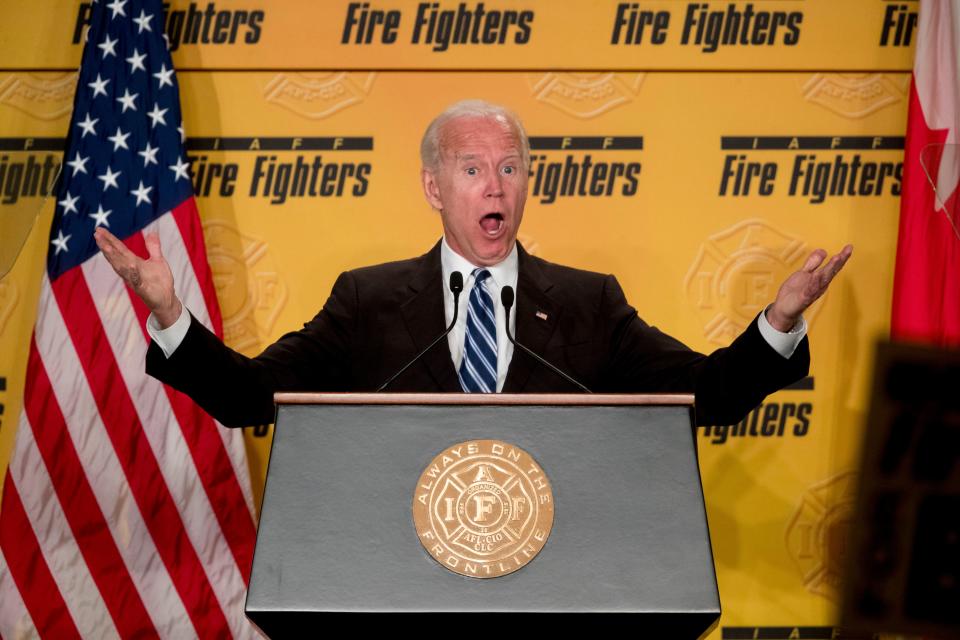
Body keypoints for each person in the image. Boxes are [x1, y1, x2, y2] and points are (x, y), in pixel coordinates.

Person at [94, 100, 853, 428]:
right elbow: (250, 398)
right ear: (433, 186)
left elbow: (709, 396)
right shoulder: (368, 301)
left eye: (511, 167)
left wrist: (780, 322)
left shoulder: (590, 305)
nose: (496, 186)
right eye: (471, 170)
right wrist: (168, 313)